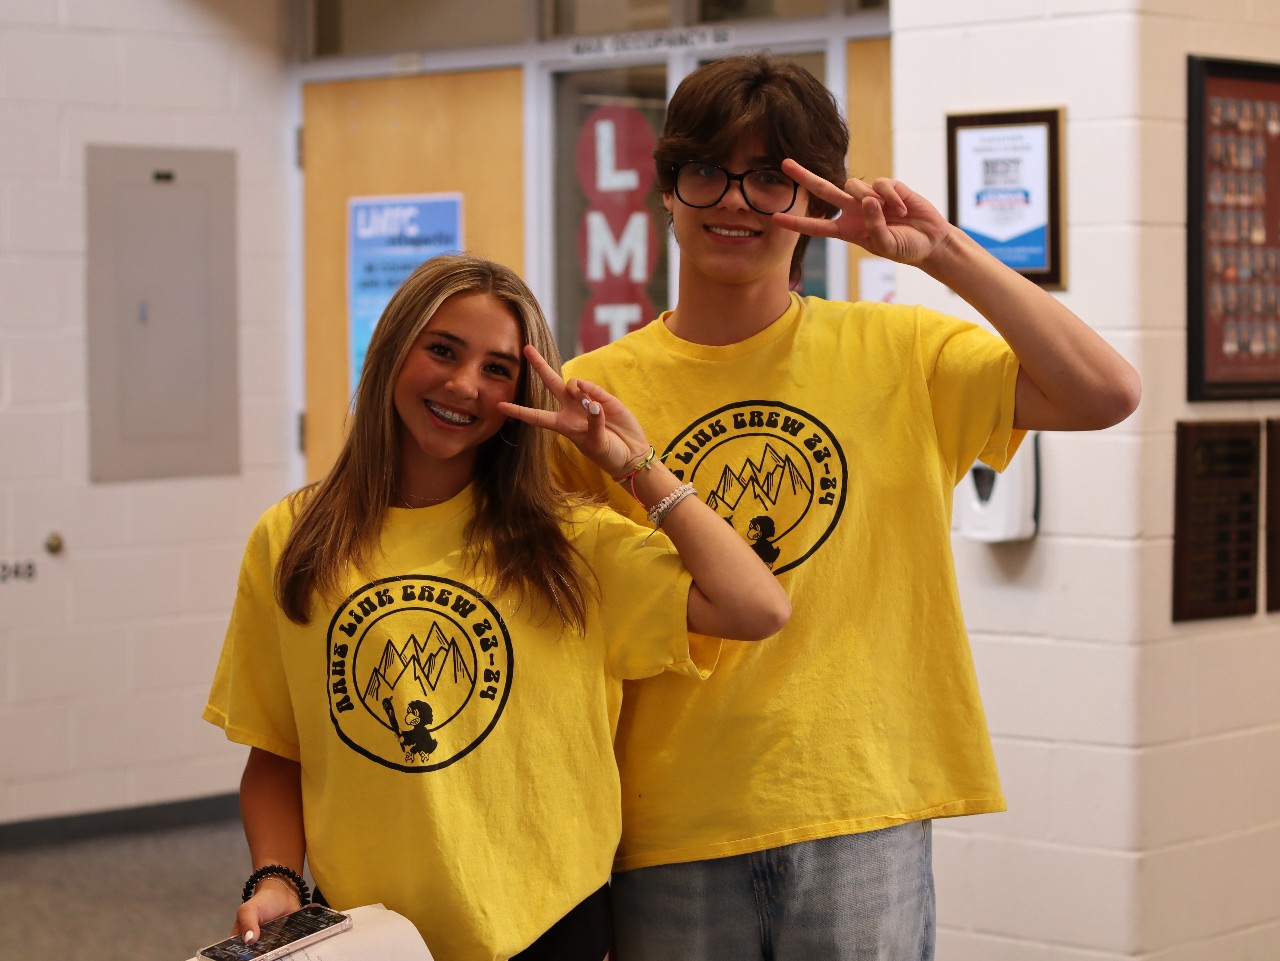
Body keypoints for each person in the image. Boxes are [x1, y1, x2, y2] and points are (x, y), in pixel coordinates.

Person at [555, 53, 1142, 960]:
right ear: (667, 190)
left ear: (817, 202)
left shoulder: (899, 350)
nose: (736, 202)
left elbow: (1106, 392)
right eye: (707, 171)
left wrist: (941, 250)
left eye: (772, 180)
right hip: (668, 821)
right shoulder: (598, 398)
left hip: (862, 807)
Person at [202, 253, 791, 961]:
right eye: (443, 350)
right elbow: (276, 748)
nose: (463, 384)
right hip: (374, 934)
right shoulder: (295, 536)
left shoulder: (568, 541)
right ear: (393, 349)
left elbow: (757, 606)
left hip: (551, 922)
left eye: (497, 368)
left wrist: (629, 461)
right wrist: (275, 877)